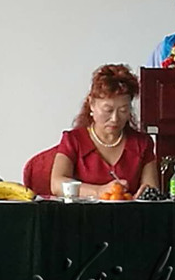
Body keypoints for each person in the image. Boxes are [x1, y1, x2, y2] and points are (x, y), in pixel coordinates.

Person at [50, 64, 159, 198]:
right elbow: (57, 184)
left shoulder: (142, 143)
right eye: (108, 110)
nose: (115, 119)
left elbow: (151, 187)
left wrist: (144, 194)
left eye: (123, 110)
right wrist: (99, 191)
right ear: (92, 104)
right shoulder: (74, 140)